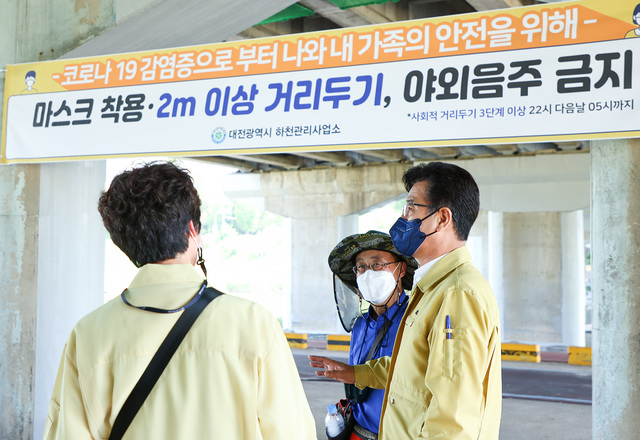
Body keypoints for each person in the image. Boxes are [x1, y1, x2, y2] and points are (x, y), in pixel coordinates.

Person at [43, 161, 317, 440]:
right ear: (191, 231)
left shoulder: (88, 334)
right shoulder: (254, 323)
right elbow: (292, 432)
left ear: (122, 242)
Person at [310, 161, 502, 440]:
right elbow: (411, 368)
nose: (402, 219)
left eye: (411, 208)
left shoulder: (456, 294)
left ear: (442, 218)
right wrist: (357, 373)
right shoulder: (433, 289)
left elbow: (454, 417)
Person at [328, 231, 418, 440]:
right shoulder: (360, 325)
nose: (368, 273)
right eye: (361, 267)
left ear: (401, 269)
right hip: (358, 433)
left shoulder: (415, 321)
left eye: (377, 265)